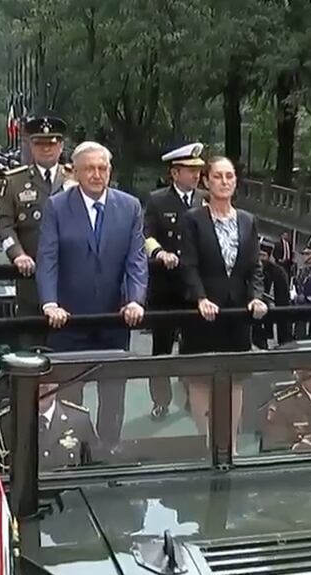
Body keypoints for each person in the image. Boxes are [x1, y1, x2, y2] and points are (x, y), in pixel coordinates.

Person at [36, 140, 148, 447]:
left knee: (113, 394)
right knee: (71, 393)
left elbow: (136, 260)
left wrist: (135, 300)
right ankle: (73, 452)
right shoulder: (58, 206)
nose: (97, 175)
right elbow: (48, 258)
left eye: (102, 168)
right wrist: (50, 303)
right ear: (77, 171)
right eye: (90, 169)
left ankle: (109, 450)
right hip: (69, 321)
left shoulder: (129, 207)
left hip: (114, 319)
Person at [178, 155, 267, 434]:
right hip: (203, 314)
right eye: (218, 176)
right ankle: (206, 444)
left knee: (235, 380)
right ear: (206, 181)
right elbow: (188, 265)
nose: (224, 181)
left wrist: (256, 296)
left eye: (229, 176)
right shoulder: (193, 219)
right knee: (202, 379)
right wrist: (200, 298)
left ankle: (231, 447)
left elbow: (255, 266)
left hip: (237, 314)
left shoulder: (247, 220)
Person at [143, 142, 206, 419]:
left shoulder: (205, 199)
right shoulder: (157, 200)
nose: (196, 175)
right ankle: (161, 400)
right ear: (175, 172)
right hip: (166, 285)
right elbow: (146, 235)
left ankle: (194, 397)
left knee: (194, 346)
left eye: (198, 170)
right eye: (190, 170)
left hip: (195, 285)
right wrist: (159, 252)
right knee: (162, 348)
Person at [0, 115, 71, 323]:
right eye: (40, 144)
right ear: (31, 146)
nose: (46, 149)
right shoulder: (14, 182)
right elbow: (4, 224)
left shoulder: (75, 179)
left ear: (61, 146)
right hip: (31, 278)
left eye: (52, 143)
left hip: (70, 276)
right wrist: (17, 254)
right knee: (30, 343)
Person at [0, 382, 101, 469]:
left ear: (57, 383)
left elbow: (93, 467)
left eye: (48, 381)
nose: (43, 387)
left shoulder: (79, 420)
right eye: (38, 381)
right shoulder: (6, 422)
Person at [253, 236, 291, 350]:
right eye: (258, 255)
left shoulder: (278, 273)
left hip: (274, 311)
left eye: (263, 255)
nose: (260, 259)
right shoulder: (251, 269)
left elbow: (283, 299)